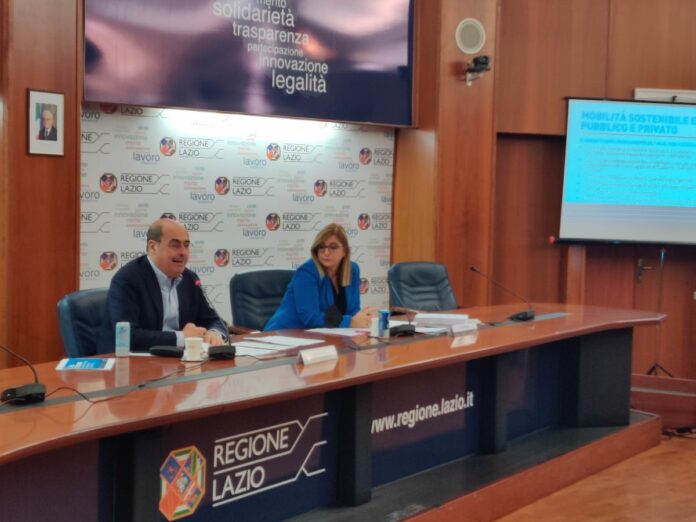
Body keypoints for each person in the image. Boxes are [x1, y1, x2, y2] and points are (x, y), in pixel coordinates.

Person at [98, 218, 227, 353]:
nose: (183, 252)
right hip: (131, 360)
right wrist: (182, 337)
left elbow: (214, 320)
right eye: (175, 245)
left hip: (178, 359)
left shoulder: (190, 279)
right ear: (153, 247)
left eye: (186, 245)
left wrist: (214, 333)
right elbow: (127, 336)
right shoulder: (128, 279)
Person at [264, 223, 375, 330]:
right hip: (283, 334)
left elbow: (353, 310)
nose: (326, 252)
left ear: (344, 251)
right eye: (321, 247)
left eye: (333, 247)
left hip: (325, 336)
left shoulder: (352, 270)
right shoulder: (306, 273)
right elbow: (310, 317)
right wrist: (350, 322)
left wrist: (362, 318)